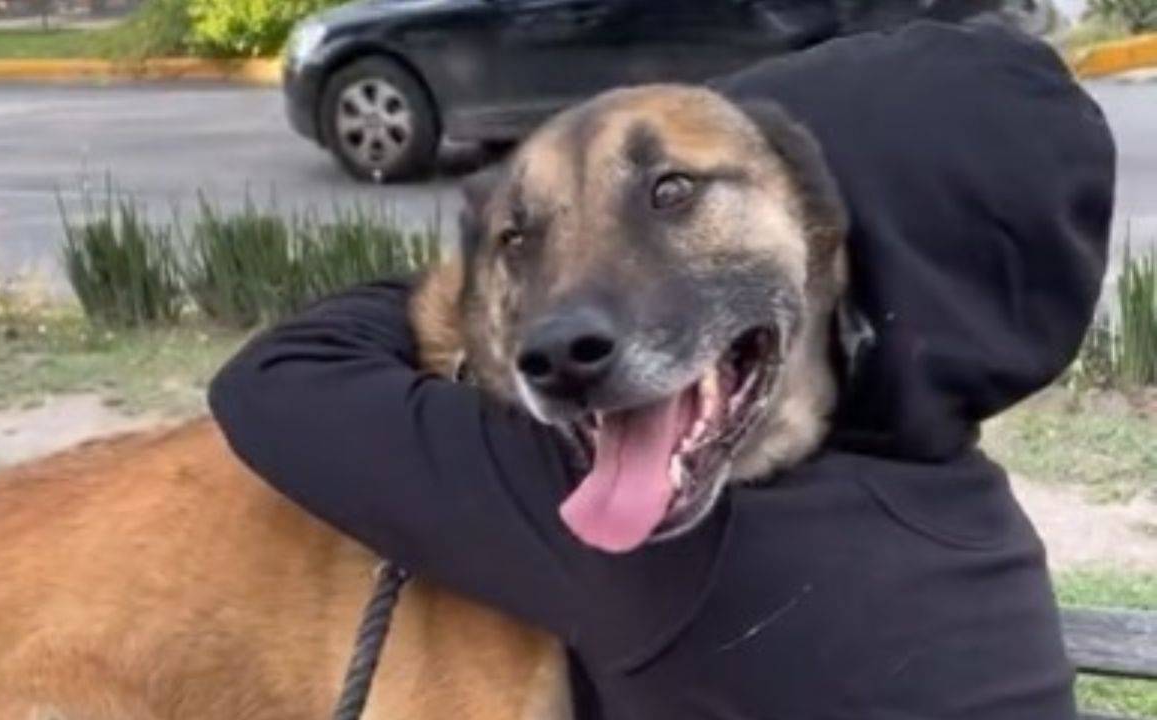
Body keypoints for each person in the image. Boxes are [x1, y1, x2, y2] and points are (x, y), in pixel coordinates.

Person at [209, 21, 1116, 720]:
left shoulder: (690, 554)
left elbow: (278, 379)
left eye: (679, 198)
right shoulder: (976, 521)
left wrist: (501, 266)